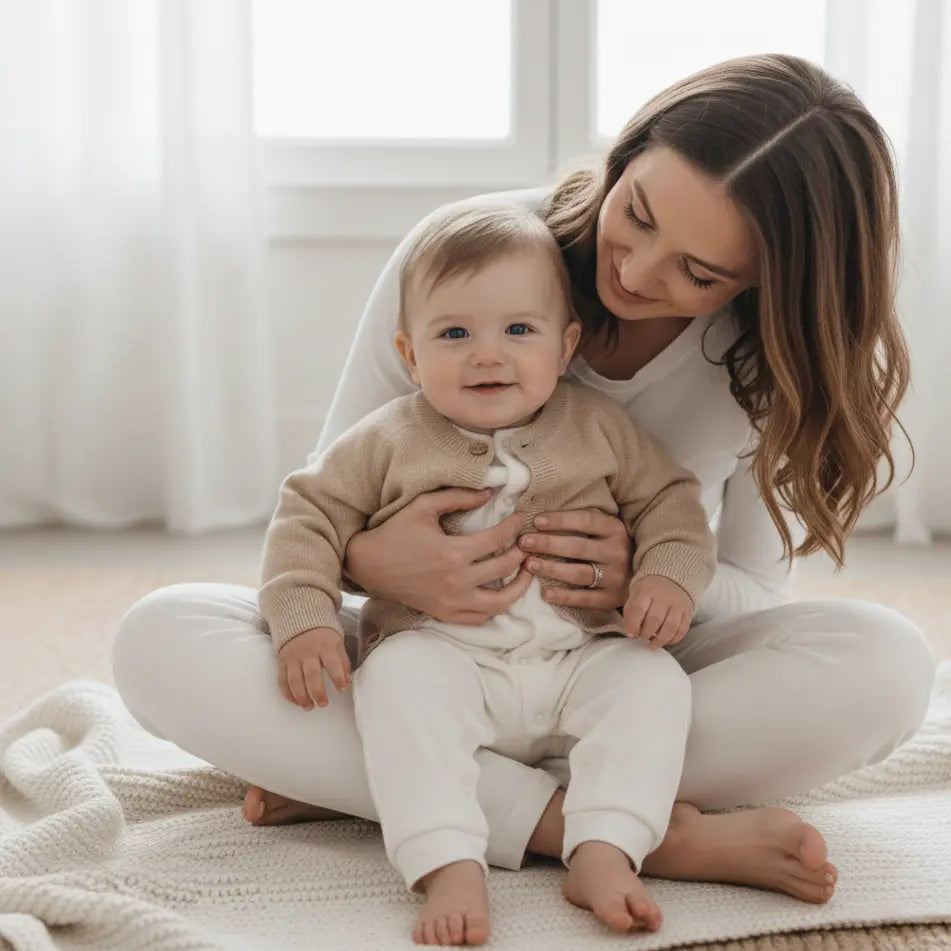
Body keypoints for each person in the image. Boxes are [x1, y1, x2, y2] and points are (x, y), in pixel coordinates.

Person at [112, 52, 936, 937]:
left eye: (698, 273)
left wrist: (648, 576)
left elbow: (750, 591)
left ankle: (382, 786)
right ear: (626, 154)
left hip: (614, 663)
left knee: (885, 662)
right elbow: (327, 493)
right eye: (639, 214)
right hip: (427, 655)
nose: (638, 270)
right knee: (160, 637)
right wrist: (374, 559)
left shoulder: (762, 360)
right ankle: (605, 834)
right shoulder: (469, 254)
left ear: (766, 282)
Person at [260, 202, 718, 944]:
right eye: (453, 334)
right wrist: (306, 622)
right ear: (409, 355)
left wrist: (665, 576)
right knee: (393, 680)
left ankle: (603, 848)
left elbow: (671, 502)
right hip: (447, 657)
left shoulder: (598, 427)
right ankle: (448, 861)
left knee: (654, 682)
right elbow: (306, 516)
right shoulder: (387, 438)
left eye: (517, 330)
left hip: (580, 657)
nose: (487, 355)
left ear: (564, 344)